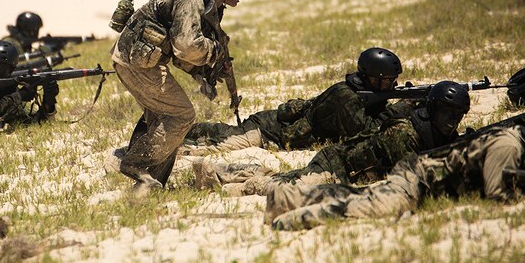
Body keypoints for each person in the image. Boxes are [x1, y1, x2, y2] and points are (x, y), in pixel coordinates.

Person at [267, 100, 525, 231]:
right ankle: (287, 222)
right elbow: (499, 197)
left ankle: (285, 198)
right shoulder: (510, 145)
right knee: (369, 209)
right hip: (417, 182)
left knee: (358, 195)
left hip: (423, 180)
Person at [112, 0, 253, 191]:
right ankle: (136, 163)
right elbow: (186, 47)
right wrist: (215, 51)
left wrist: (204, 72)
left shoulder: (209, 4)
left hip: (141, 60)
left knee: (164, 120)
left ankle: (149, 186)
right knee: (182, 115)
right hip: (136, 62)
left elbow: (180, 54)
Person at [194, 81, 470, 196]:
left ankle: (224, 172)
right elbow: (413, 178)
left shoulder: (422, 130)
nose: (452, 120)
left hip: (340, 165)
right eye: (446, 112)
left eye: (458, 115)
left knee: (285, 179)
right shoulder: (402, 131)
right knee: (279, 187)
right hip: (333, 166)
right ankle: (219, 175)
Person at [184, 47, 404, 154]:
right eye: (388, 82)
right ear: (372, 79)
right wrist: (396, 112)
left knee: (219, 136)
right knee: (214, 144)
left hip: (274, 131)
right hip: (268, 132)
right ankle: (173, 132)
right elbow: (365, 133)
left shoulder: (357, 93)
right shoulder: (346, 97)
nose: (392, 86)